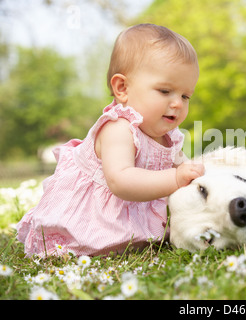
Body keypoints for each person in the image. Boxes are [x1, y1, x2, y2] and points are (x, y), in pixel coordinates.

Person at [16, 24, 204, 257]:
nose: (177, 103)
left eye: (185, 96)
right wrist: (176, 177)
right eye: (165, 91)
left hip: (131, 217)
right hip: (93, 219)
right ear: (122, 88)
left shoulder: (170, 137)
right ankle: (79, 244)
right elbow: (121, 180)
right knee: (79, 245)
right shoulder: (118, 128)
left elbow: (186, 171)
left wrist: (194, 175)